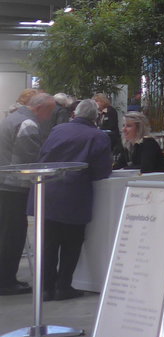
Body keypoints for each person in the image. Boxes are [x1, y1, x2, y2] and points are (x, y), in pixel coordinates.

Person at [29, 99, 112, 300]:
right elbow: (102, 171)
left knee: (48, 243)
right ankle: (63, 286)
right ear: (96, 117)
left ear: (75, 113)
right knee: (71, 243)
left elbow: (43, 154)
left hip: (46, 191)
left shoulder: (57, 130)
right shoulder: (98, 136)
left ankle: (45, 288)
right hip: (74, 195)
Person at [0, 92, 57, 294]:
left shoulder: (11, 118)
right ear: (40, 108)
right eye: (50, 112)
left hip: (4, 184)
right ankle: (6, 281)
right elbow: (29, 161)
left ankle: (5, 278)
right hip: (14, 186)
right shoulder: (28, 125)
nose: (50, 117)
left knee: (7, 232)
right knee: (13, 234)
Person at [115, 111, 164, 178]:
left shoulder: (148, 143)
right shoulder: (127, 145)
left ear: (139, 128)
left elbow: (146, 168)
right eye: (123, 125)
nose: (124, 129)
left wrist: (124, 169)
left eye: (129, 126)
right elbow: (119, 166)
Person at [93, 93, 121, 157]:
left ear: (103, 101)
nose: (95, 103)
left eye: (97, 101)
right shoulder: (98, 112)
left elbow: (112, 126)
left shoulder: (111, 111)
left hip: (111, 138)